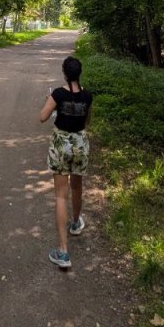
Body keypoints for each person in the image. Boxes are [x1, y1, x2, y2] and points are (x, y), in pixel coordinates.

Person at [39, 55, 93, 269]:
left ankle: (63, 251)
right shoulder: (88, 96)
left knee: (61, 195)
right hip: (80, 144)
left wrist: (50, 103)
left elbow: (42, 117)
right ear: (79, 73)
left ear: (64, 73)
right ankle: (76, 222)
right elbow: (87, 121)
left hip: (61, 144)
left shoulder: (58, 94)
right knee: (77, 186)